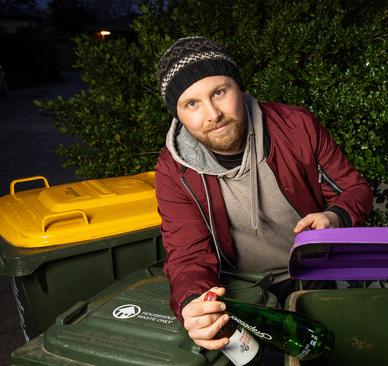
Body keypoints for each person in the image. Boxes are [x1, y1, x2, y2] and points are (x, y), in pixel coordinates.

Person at [154, 36, 373, 351]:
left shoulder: (296, 127)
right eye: (192, 104)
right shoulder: (173, 170)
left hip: (311, 274)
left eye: (219, 92)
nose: (213, 114)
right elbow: (187, 253)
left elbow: (354, 189)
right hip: (241, 292)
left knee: (335, 350)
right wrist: (192, 302)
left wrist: (334, 216)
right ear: (177, 114)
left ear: (238, 87)